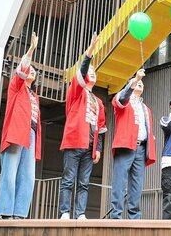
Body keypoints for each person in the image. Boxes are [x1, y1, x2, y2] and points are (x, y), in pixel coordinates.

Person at [59, 33, 107, 220]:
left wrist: (99, 149)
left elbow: (101, 128)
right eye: (90, 71)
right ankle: (64, 212)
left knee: (84, 182)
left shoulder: (99, 102)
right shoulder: (76, 92)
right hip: (73, 142)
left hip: (90, 147)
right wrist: (89, 54)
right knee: (68, 179)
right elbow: (80, 73)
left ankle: (80, 213)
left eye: (95, 71)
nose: (92, 73)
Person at [0, 32, 41, 219]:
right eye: (29, 69)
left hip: (30, 134)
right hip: (16, 133)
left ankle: (20, 213)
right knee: (10, 172)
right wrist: (30, 50)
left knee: (28, 176)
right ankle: (6, 212)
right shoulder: (17, 87)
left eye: (33, 70)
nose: (31, 71)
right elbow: (21, 69)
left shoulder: (35, 95)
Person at [110, 68, 156, 219]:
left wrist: (150, 138)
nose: (140, 84)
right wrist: (135, 80)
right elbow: (121, 99)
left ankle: (134, 216)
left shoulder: (146, 108)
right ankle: (116, 215)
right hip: (126, 145)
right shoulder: (123, 98)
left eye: (141, 83)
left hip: (141, 147)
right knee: (120, 181)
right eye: (137, 83)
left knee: (137, 184)